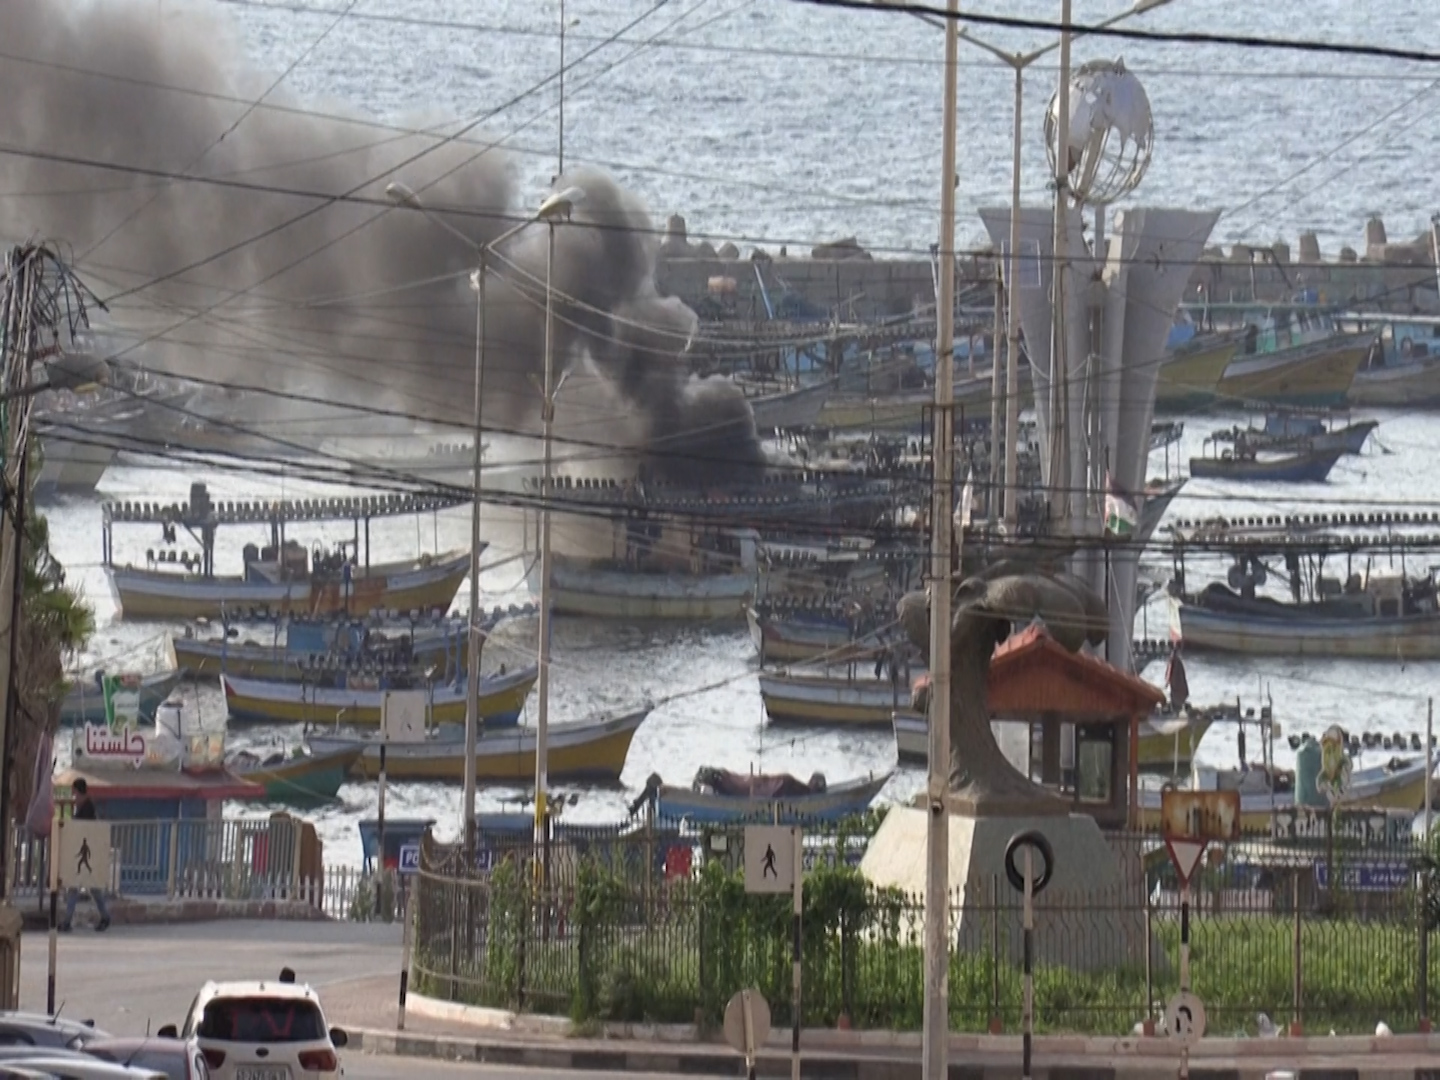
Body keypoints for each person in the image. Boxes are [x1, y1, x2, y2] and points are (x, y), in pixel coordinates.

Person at [59, 779, 110, 933]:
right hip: (86, 854)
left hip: (87, 853)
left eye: (74, 793)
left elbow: (82, 828)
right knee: (83, 886)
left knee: (86, 886)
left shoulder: (87, 808)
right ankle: (70, 920)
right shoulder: (85, 806)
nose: (73, 797)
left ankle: (69, 921)